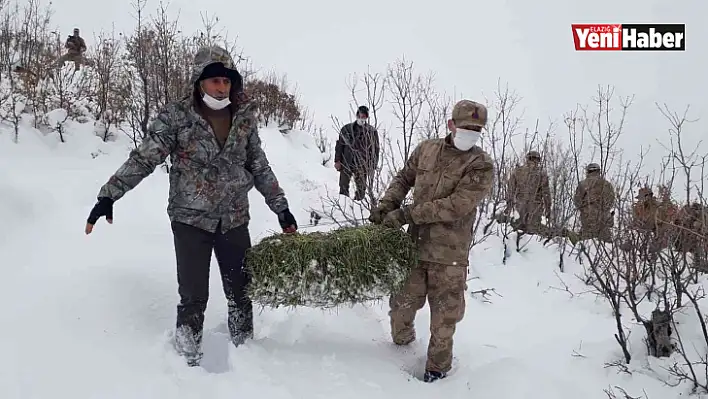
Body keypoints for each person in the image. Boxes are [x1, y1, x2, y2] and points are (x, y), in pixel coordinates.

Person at [84, 45, 298, 366]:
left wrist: (281, 208)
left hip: (233, 219)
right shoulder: (176, 116)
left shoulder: (243, 118)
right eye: (214, 80)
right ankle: (187, 363)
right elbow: (145, 157)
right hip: (190, 221)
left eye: (227, 81)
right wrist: (109, 195)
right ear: (199, 81)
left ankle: (247, 358)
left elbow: (259, 164)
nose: (221, 87)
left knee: (241, 293)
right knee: (194, 297)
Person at [368, 99, 494, 383]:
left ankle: (436, 373)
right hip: (414, 249)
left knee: (444, 320)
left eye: (477, 130)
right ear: (451, 125)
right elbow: (404, 178)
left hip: (449, 257)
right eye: (466, 128)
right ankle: (400, 351)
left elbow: (456, 205)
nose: (471, 133)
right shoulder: (427, 149)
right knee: (401, 306)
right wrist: (387, 205)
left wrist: (407, 214)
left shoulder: (481, 165)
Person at [334, 105, 380, 200]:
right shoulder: (346, 129)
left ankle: (358, 209)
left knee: (361, 189)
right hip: (346, 161)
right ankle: (343, 207)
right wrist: (337, 161)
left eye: (364, 116)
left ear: (367, 117)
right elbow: (339, 146)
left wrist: (373, 166)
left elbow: (375, 150)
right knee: (343, 187)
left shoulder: (372, 132)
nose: (362, 117)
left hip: (362, 164)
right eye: (360, 115)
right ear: (357, 115)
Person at [505, 150, 551, 234]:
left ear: (527, 159)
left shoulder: (518, 171)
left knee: (517, 231)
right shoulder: (541, 173)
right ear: (538, 160)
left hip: (519, 206)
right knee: (532, 233)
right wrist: (548, 209)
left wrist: (509, 204)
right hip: (535, 208)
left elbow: (510, 189)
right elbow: (546, 194)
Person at [573, 163, 615, 242]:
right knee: (606, 246)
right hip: (604, 220)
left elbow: (577, 201)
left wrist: (585, 209)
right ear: (599, 171)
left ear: (588, 171)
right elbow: (611, 201)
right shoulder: (606, 184)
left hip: (587, 219)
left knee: (586, 244)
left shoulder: (582, 184)